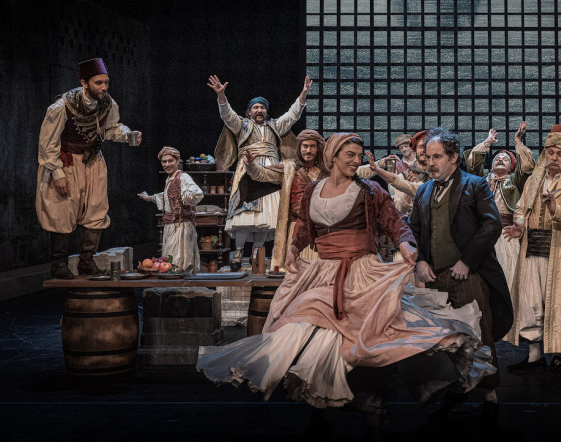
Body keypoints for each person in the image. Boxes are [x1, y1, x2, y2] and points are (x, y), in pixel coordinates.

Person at [197, 133, 495, 438]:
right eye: (349, 155)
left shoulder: (369, 190)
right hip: (323, 272)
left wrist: (405, 243)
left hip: (361, 271)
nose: (356, 160)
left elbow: (395, 222)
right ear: (333, 157)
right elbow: (306, 226)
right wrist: (294, 249)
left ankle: (372, 407)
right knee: (314, 339)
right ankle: (319, 409)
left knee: (365, 337)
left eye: (359, 155)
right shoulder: (313, 190)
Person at [409, 127, 513, 419]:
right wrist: (419, 261)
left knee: (478, 333)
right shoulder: (423, 190)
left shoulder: (475, 184)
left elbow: (492, 224)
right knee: (444, 338)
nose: (430, 163)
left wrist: (467, 261)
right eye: (428, 157)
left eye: (437, 157)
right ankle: (454, 388)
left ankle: (490, 393)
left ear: (454, 157)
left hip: (468, 275)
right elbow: (413, 229)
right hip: (435, 277)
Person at [36, 58, 142, 279]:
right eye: (98, 83)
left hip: (93, 159)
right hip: (67, 161)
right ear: (84, 83)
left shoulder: (107, 103)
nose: (104, 87)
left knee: (96, 208)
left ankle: (86, 261)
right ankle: (58, 264)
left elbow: (110, 128)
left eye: (106, 82)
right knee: (62, 210)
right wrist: (57, 173)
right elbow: (47, 143)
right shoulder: (63, 106)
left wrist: (126, 134)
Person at [503, 124, 561, 371]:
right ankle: (534, 356)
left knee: (557, 303)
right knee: (531, 303)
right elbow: (520, 208)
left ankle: (557, 355)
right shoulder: (534, 180)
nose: (554, 157)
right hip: (533, 249)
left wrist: (556, 209)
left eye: (560, 154)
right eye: (550, 152)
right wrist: (520, 226)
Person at [207, 74, 313, 270]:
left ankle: (257, 252)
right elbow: (227, 115)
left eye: (262, 107)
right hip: (248, 169)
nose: (259, 110)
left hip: (271, 170)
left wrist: (303, 95)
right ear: (249, 112)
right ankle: (238, 252)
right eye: (255, 107)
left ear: (266, 111)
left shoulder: (274, 126)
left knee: (267, 217)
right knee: (244, 214)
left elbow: (292, 116)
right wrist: (221, 96)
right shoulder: (242, 125)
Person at [242, 129, 329, 269]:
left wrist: (371, 165)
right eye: (305, 146)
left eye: (312, 146)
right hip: (298, 227)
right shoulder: (289, 168)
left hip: (322, 229)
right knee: (297, 270)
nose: (308, 150)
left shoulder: (327, 171)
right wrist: (251, 165)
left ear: (318, 148)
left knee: (321, 271)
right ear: (299, 147)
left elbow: (355, 173)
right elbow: (262, 174)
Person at [464, 122, 534, 292]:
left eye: (505, 159)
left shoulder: (514, 181)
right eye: (497, 159)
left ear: (511, 167)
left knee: (508, 273)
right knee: (481, 277)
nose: (501, 160)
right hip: (482, 234)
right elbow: (472, 163)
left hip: (506, 234)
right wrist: (488, 142)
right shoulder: (482, 179)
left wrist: (518, 141)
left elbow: (527, 167)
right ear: (491, 165)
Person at [138, 147, 204, 273]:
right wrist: (149, 198)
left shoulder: (183, 177)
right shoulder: (170, 179)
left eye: (170, 161)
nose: (167, 164)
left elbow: (193, 189)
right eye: (164, 162)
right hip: (171, 225)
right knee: (170, 261)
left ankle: (185, 283)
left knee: (181, 261)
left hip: (181, 227)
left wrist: (189, 193)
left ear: (177, 161)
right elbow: (166, 197)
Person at [366, 130, 431, 216]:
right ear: (415, 150)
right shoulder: (399, 168)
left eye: (406, 146)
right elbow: (398, 207)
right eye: (401, 148)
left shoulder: (438, 173)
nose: (404, 149)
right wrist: (407, 192)